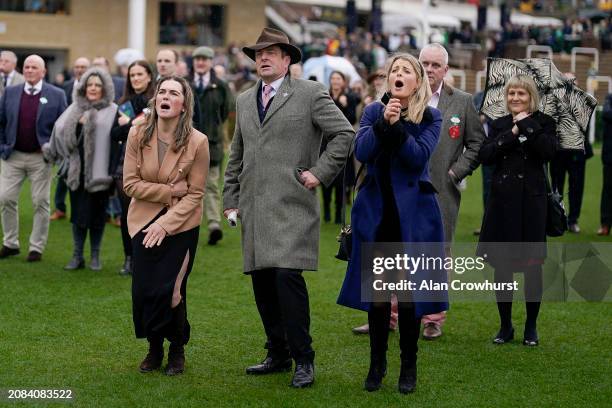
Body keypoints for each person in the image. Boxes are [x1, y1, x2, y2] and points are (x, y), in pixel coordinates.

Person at [223, 28, 354, 388]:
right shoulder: (245, 100)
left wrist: (319, 172)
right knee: (263, 282)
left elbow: (345, 134)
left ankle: (303, 359)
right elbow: (237, 154)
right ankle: (277, 353)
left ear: (287, 59)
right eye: (258, 53)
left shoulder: (310, 94)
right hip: (253, 205)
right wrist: (230, 198)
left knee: (285, 278)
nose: (263, 57)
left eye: (272, 52)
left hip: (293, 206)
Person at [337, 53, 447, 394]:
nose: (398, 75)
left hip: (414, 219)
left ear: (418, 81)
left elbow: (416, 159)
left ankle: (408, 366)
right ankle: (377, 364)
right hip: (378, 217)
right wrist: (385, 121)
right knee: (380, 297)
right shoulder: (372, 111)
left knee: (411, 297)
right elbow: (364, 151)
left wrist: (398, 125)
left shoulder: (432, 117)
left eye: (406, 71)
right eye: (394, 70)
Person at [123, 76, 209, 376]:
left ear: (184, 104)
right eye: (162, 92)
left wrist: (166, 224)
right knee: (145, 291)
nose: (166, 97)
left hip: (182, 226)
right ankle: (154, 348)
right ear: (154, 99)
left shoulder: (198, 141)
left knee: (171, 291)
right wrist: (168, 191)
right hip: (141, 221)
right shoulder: (137, 134)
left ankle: (177, 350)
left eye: (174, 93)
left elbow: (196, 194)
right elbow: (130, 184)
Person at [477, 74, 557, 347]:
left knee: (533, 269)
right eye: (511, 93)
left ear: (531, 97)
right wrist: (511, 134)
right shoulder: (498, 123)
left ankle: (531, 327)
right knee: (503, 268)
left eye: (521, 94)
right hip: (502, 205)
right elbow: (485, 156)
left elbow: (549, 152)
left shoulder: (545, 123)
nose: (515, 98)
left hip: (532, 206)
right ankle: (506, 325)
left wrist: (527, 125)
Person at [417, 43, 484, 340]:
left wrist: (456, 171)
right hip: (404, 188)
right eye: (425, 64)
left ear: (445, 70)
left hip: (442, 191)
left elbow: (477, 143)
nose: (429, 70)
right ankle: (389, 314)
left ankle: (433, 318)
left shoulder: (462, 102)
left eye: (435, 65)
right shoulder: (404, 94)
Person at [43, 67, 117, 271]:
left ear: (105, 88)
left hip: (101, 173)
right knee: (77, 216)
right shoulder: (75, 108)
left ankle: (95, 256)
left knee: (98, 216)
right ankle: (77, 256)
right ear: (84, 87)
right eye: (90, 84)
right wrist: (78, 125)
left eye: (98, 85)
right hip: (77, 171)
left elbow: (119, 137)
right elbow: (60, 133)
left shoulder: (112, 110)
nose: (93, 88)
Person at [0, 54, 67, 262]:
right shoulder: (10, 92)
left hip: (41, 159)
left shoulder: (56, 94)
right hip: (13, 155)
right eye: (27, 67)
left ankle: (36, 247)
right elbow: (1, 121)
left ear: (44, 72)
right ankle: (10, 243)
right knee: (5, 198)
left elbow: (62, 126)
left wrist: (53, 150)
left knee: (40, 202)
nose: (29, 70)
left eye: (34, 67)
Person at [110, 60, 155, 275]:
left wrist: (128, 125)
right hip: (124, 165)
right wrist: (133, 124)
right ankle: (129, 258)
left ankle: (146, 257)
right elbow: (115, 134)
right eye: (132, 75)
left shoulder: (157, 101)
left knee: (149, 214)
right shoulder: (122, 104)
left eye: (139, 74)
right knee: (127, 214)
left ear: (148, 76)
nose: (135, 78)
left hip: (151, 164)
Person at [191, 46, 232, 245]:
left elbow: (226, 112)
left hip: (212, 144)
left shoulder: (221, 86)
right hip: (187, 145)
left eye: (204, 59)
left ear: (210, 62)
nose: (200, 62)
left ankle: (214, 224)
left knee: (212, 185)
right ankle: (190, 225)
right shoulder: (186, 84)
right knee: (188, 187)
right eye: (197, 59)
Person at [51, 56, 91, 222]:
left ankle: (84, 210)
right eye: (77, 66)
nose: (79, 69)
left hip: (84, 138)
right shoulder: (65, 87)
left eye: (83, 66)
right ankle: (60, 207)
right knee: (62, 173)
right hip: (65, 139)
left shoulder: (93, 88)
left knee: (81, 175)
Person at [321, 70, 359, 224]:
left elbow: (352, 118)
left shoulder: (348, 98)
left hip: (343, 145)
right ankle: (327, 212)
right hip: (325, 144)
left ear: (343, 82)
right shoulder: (324, 96)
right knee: (325, 178)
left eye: (338, 79)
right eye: (333, 78)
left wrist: (344, 105)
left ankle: (338, 213)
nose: (335, 81)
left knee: (340, 182)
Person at [600, 92, 612, 236]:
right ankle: (605, 225)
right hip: (610, 156)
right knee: (608, 191)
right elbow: (607, 113)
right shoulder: (609, 98)